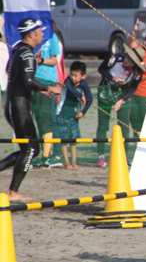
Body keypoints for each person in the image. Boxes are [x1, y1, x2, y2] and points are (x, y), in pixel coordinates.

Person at [0, 18, 61, 201]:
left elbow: (16, 75)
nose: (42, 34)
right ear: (31, 34)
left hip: (14, 106)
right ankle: (13, 192)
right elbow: (28, 81)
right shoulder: (26, 53)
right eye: (40, 31)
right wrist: (50, 88)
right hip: (19, 108)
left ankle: (13, 190)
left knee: (29, 149)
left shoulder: (19, 50)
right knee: (31, 150)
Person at [96, 46, 146, 166]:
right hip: (106, 92)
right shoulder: (114, 59)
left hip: (123, 95)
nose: (127, 60)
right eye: (128, 57)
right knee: (103, 125)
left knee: (124, 125)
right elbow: (101, 69)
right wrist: (112, 78)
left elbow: (133, 87)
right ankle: (101, 155)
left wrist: (122, 100)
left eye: (131, 60)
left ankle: (123, 155)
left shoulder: (137, 72)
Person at [32, 21, 62, 168]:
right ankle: (35, 154)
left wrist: (41, 60)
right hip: (32, 80)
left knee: (46, 119)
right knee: (35, 119)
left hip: (46, 80)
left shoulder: (52, 37)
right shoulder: (30, 39)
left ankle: (46, 156)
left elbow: (55, 60)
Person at [56, 61, 93, 170]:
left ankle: (74, 161)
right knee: (64, 139)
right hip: (63, 113)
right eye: (72, 74)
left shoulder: (84, 84)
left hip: (74, 115)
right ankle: (66, 162)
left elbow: (90, 99)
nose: (73, 77)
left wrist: (83, 112)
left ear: (83, 76)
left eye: (76, 75)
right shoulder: (67, 81)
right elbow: (71, 91)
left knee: (73, 139)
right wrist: (80, 95)